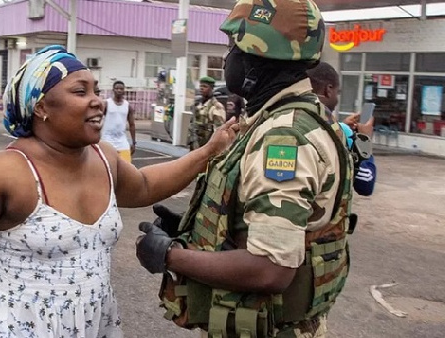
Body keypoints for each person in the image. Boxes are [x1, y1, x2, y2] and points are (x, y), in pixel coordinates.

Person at [0, 45, 238, 338]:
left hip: (93, 325)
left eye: (95, 90)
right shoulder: (7, 170)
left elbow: (144, 186)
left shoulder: (104, 157)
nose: (97, 100)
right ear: (41, 107)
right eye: (80, 91)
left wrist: (207, 152)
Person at [135, 1, 355, 337]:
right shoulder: (295, 118)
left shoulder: (283, 138)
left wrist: (169, 255)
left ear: (258, 61)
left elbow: (270, 267)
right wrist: (199, 233)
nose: (228, 60)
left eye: (233, 49)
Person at [307, 61, 377, 196]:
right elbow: (365, 184)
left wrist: (340, 126)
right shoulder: (341, 133)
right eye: (337, 93)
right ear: (328, 90)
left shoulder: (290, 118)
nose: (337, 99)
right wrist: (365, 140)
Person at [101, 80, 136, 162]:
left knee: (127, 165)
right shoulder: (106, 104)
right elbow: (97, 120)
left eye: (121, 89)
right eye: (117, 88)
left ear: (124, 90)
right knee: (109, 165)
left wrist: (133, 142)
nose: (119, 90)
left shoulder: (128, 106)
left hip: (122, 141)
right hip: (107, 140)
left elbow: (132, 125)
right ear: (113, 90)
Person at [188, 76, 226, 150]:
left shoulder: (216, 106)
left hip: (207, 147)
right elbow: (192, 124)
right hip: (195, 144)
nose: (201, 88)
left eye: (205, 86)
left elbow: (219, 130)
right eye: (200, 86)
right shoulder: (197, 104)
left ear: (211, 89)